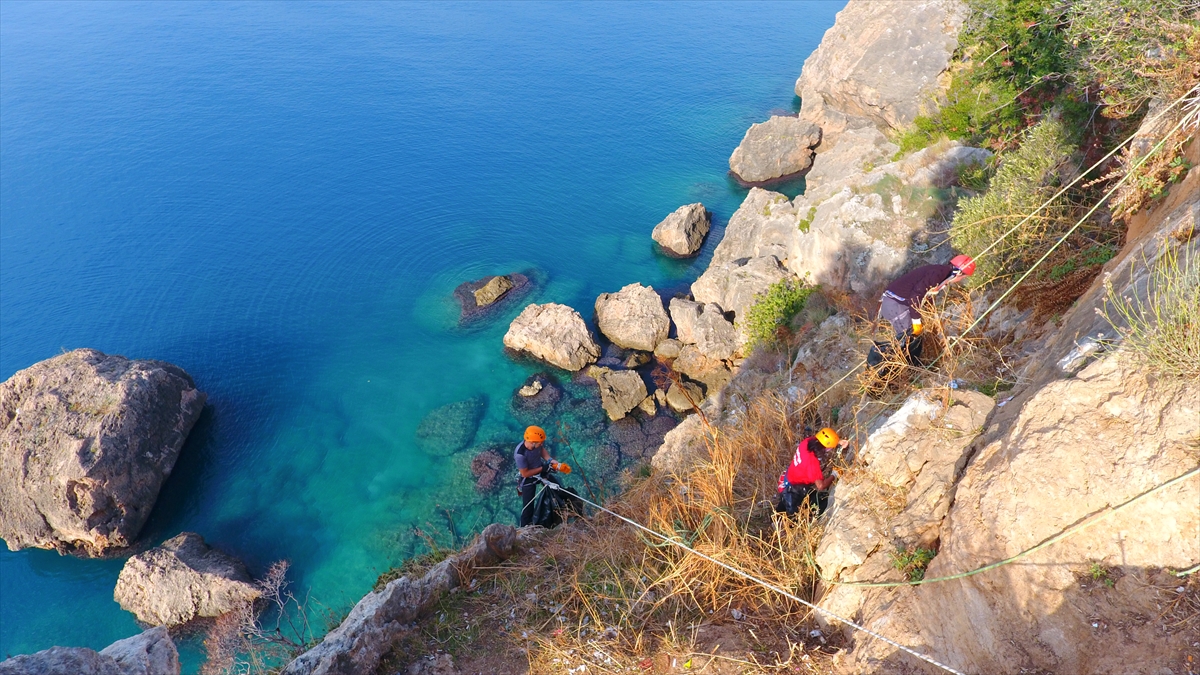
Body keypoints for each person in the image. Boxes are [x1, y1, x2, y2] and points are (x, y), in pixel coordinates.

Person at [869, 255, 976, 366]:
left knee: (910, 342)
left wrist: (931, 315)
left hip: (896, 304)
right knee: (910, 342)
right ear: (959, 273)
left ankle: (907, 368)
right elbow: (916, 296)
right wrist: (916, 322)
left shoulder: (941, 273)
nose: (961, 280)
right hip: (896, 306)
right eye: (963, 277)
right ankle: (884, 365)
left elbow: (926, 297)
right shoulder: (938, 274)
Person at [775, 427, 846, 517]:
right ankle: (785, 522)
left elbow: (824, 440)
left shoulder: (807, 442)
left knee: (785, 504)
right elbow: (821, 486)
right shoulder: (812, 462)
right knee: (814, 507)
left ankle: (778, 514)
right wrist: (834, 475)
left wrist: (838, 441)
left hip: (788, 478)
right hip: (793, 489)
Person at [515, 425, 561, 527]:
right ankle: (524, 529)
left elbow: (542, 451)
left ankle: (561, 508)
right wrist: (543, 468)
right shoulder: (520, 455)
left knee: (557, 488)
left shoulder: (536, 444)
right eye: (540, 442)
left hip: (540, 470)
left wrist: (550, 460)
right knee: (528, 507)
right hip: (528, 479)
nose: (542, 444)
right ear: (532, 442)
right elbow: (525, 473)